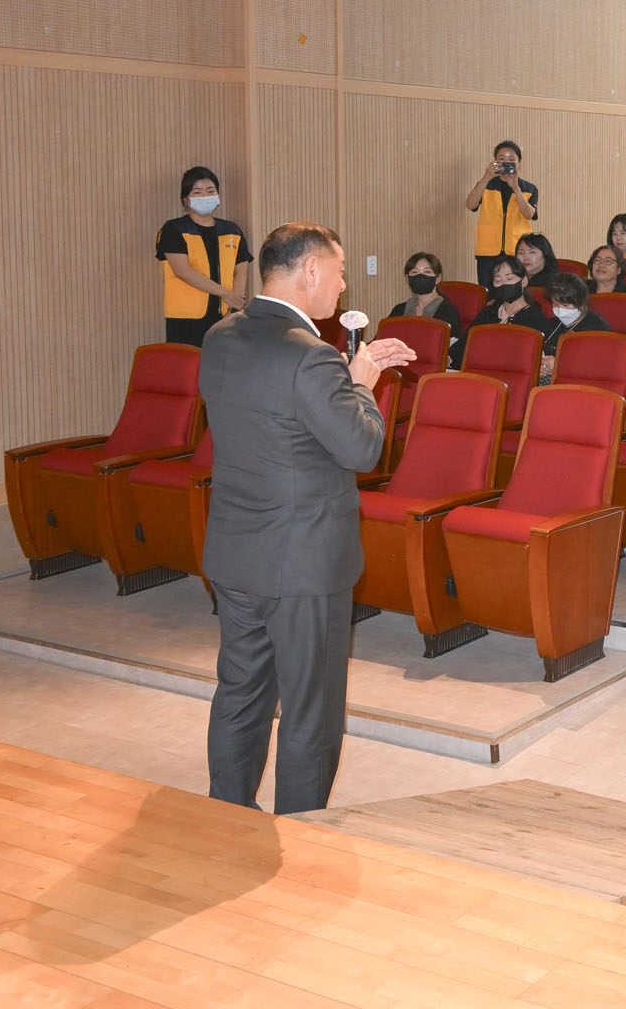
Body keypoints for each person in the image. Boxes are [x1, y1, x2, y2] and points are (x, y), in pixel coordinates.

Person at [200, 222, 413, 815]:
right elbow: (362, 450)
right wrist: (361, 385)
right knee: (310, 709)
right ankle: (300, 832)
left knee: (241, 693)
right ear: (311, 270)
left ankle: (223, 818)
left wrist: (338, 381)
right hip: (303, 563)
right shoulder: (310, 355)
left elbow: (277, 421)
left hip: (236, 550)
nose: (342, 287)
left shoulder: (221, 336)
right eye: (339, 274)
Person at [158, 166, 252, 346]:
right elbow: (183, 271)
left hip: (226, 316)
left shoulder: (232, 230)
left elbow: (241, 270)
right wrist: (225, 293)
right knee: (188, 363)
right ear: (186, 199)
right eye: (197, 192)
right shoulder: (174, 229)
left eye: (210, 191)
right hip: (186, 320)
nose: (205, 196)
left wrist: (235, 307)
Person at [465, 140, 539, 287]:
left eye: (511, 160)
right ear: (495, 162)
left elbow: (529, 214)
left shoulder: (529, 188)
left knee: (516, 291)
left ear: (519, 163)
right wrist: (486, 178)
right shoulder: (486, 184)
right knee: (488, 293)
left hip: (517, 252)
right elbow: (470, 204)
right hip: (487, 252)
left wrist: (515, 188)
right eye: (501, 159)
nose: (506, 163)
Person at [388, 251, 464, 368]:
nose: (420, 276)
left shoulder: (448, 311)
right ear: (408, 279)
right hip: (399, 367)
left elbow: (448, 351)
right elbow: (382, 339)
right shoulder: (399, 310)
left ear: (438, 278)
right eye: (415, 272)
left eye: (427, 271)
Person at [470, 255, 554, 338]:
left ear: (524, 281)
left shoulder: (536, 319)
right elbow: (466, 342)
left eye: (509, 278)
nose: (503, 284)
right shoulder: (488, 314)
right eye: (498, 280)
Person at [541, 272, 610, 355]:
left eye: (565, 305)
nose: (560, 310)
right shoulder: (553, 323)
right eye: (555, 305)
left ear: (580, 302)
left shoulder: (598, 328)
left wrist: (558, 361)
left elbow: (598, 359)